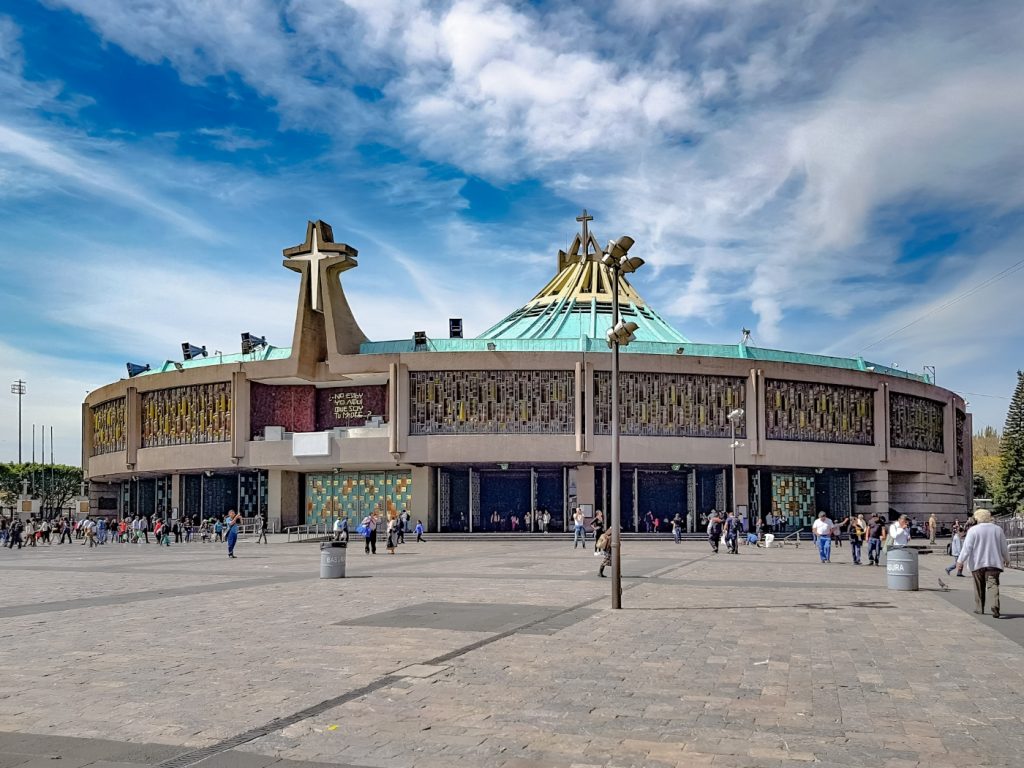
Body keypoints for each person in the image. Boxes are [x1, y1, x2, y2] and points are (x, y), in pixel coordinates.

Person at [956, 509, 1010, 617]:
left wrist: (960, 561)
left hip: (977, 563)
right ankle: (995, 605)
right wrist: (1006, 558)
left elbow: (967, 548)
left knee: (978, 586)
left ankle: (979, 607)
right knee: (993, 585)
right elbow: (1004, 546)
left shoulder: (973, 530)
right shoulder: (997, 529)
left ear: (977, 518)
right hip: (993, 563)